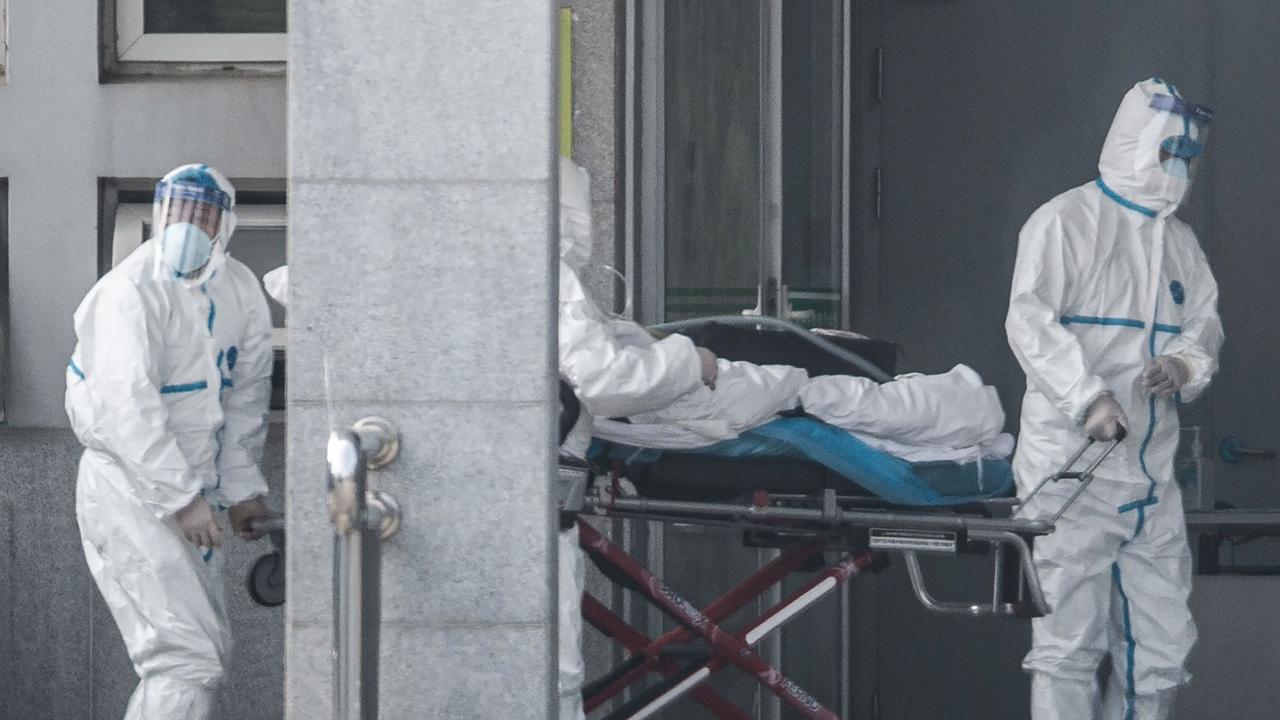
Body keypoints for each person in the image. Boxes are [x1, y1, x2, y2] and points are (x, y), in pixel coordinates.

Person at [1006, 79, 1223, 720]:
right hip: (1073, 473)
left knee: (1160, 650)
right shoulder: (1064, 223)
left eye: (1187, 157)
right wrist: (1088, 398)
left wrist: (1184, 363)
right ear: (1136, 142)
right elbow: (1029, 321)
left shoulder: (1179, 244)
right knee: (1068, 647)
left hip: (1152, 477)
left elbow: (1202, 326)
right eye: (1168, 153)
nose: (1178, 170)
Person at [66, 164, 277, 719]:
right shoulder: (127, 292)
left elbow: (245, 401)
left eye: (201, 214)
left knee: (204, 654)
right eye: (177, 211)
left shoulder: (240, 291)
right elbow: (125, 409)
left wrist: (242, 490)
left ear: (223, 224)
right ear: (159, 215)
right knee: (186, 659)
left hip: (193, 493)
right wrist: (180, 499)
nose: (188, 224)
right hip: (129, 489)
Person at [556, 155, 716, 719]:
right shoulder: (540, 273)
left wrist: (633, 338)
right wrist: (690, 361)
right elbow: (603, 380)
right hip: (530, 515)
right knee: (547, 680)